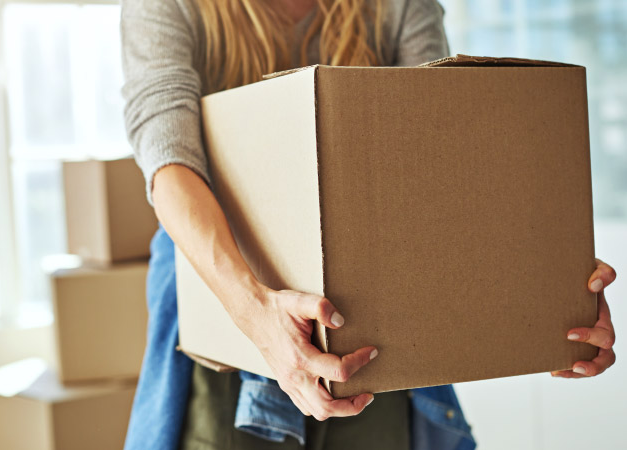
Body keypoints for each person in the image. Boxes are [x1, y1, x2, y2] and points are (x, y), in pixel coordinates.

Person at [118, 0, 619, 448]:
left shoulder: (394, 7)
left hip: (378, 336)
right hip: (228, 318)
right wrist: (257, 316)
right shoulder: (171, 7)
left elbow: (445, 150)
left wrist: (544, 293)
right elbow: (170, 166)